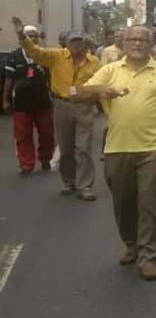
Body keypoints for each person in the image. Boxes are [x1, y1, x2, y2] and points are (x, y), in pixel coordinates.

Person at [82, 26, 156, 281]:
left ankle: (149, 255)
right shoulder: (110, 70)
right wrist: (101, 91)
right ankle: (131, 243)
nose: (137, 43)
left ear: (151, 43)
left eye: (143, 39)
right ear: (122, 42)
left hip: (153, 147)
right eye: (132, 39)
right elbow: (77, 92)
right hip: (117, 147)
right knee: (123, 202)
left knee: (150, 202)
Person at [12, 17, 101, 200]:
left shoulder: (94, 63)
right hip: (62, 105)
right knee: (66, 147)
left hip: (84, 106)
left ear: (85, 43)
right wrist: (22, 35)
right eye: (73, 41)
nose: (76, 44)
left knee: (83, 148)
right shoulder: (56, 56)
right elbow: (34, 51)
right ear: (67, 44)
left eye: (79, 41)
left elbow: (101, 85)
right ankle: (69, 182)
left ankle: (85, 186)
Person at [4, 25, 55, 174]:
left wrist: (55, 95)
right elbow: (8, 80)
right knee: (23, 135)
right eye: (29, 36)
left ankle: (46, 158)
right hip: (21, 104)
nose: (32, 38)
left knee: (46, 134)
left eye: (35, 36)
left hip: (43, 102)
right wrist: (5, 100)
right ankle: (26, 163)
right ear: (22, 39)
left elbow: (51, 78)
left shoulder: (44, 56)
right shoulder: (13, 57)